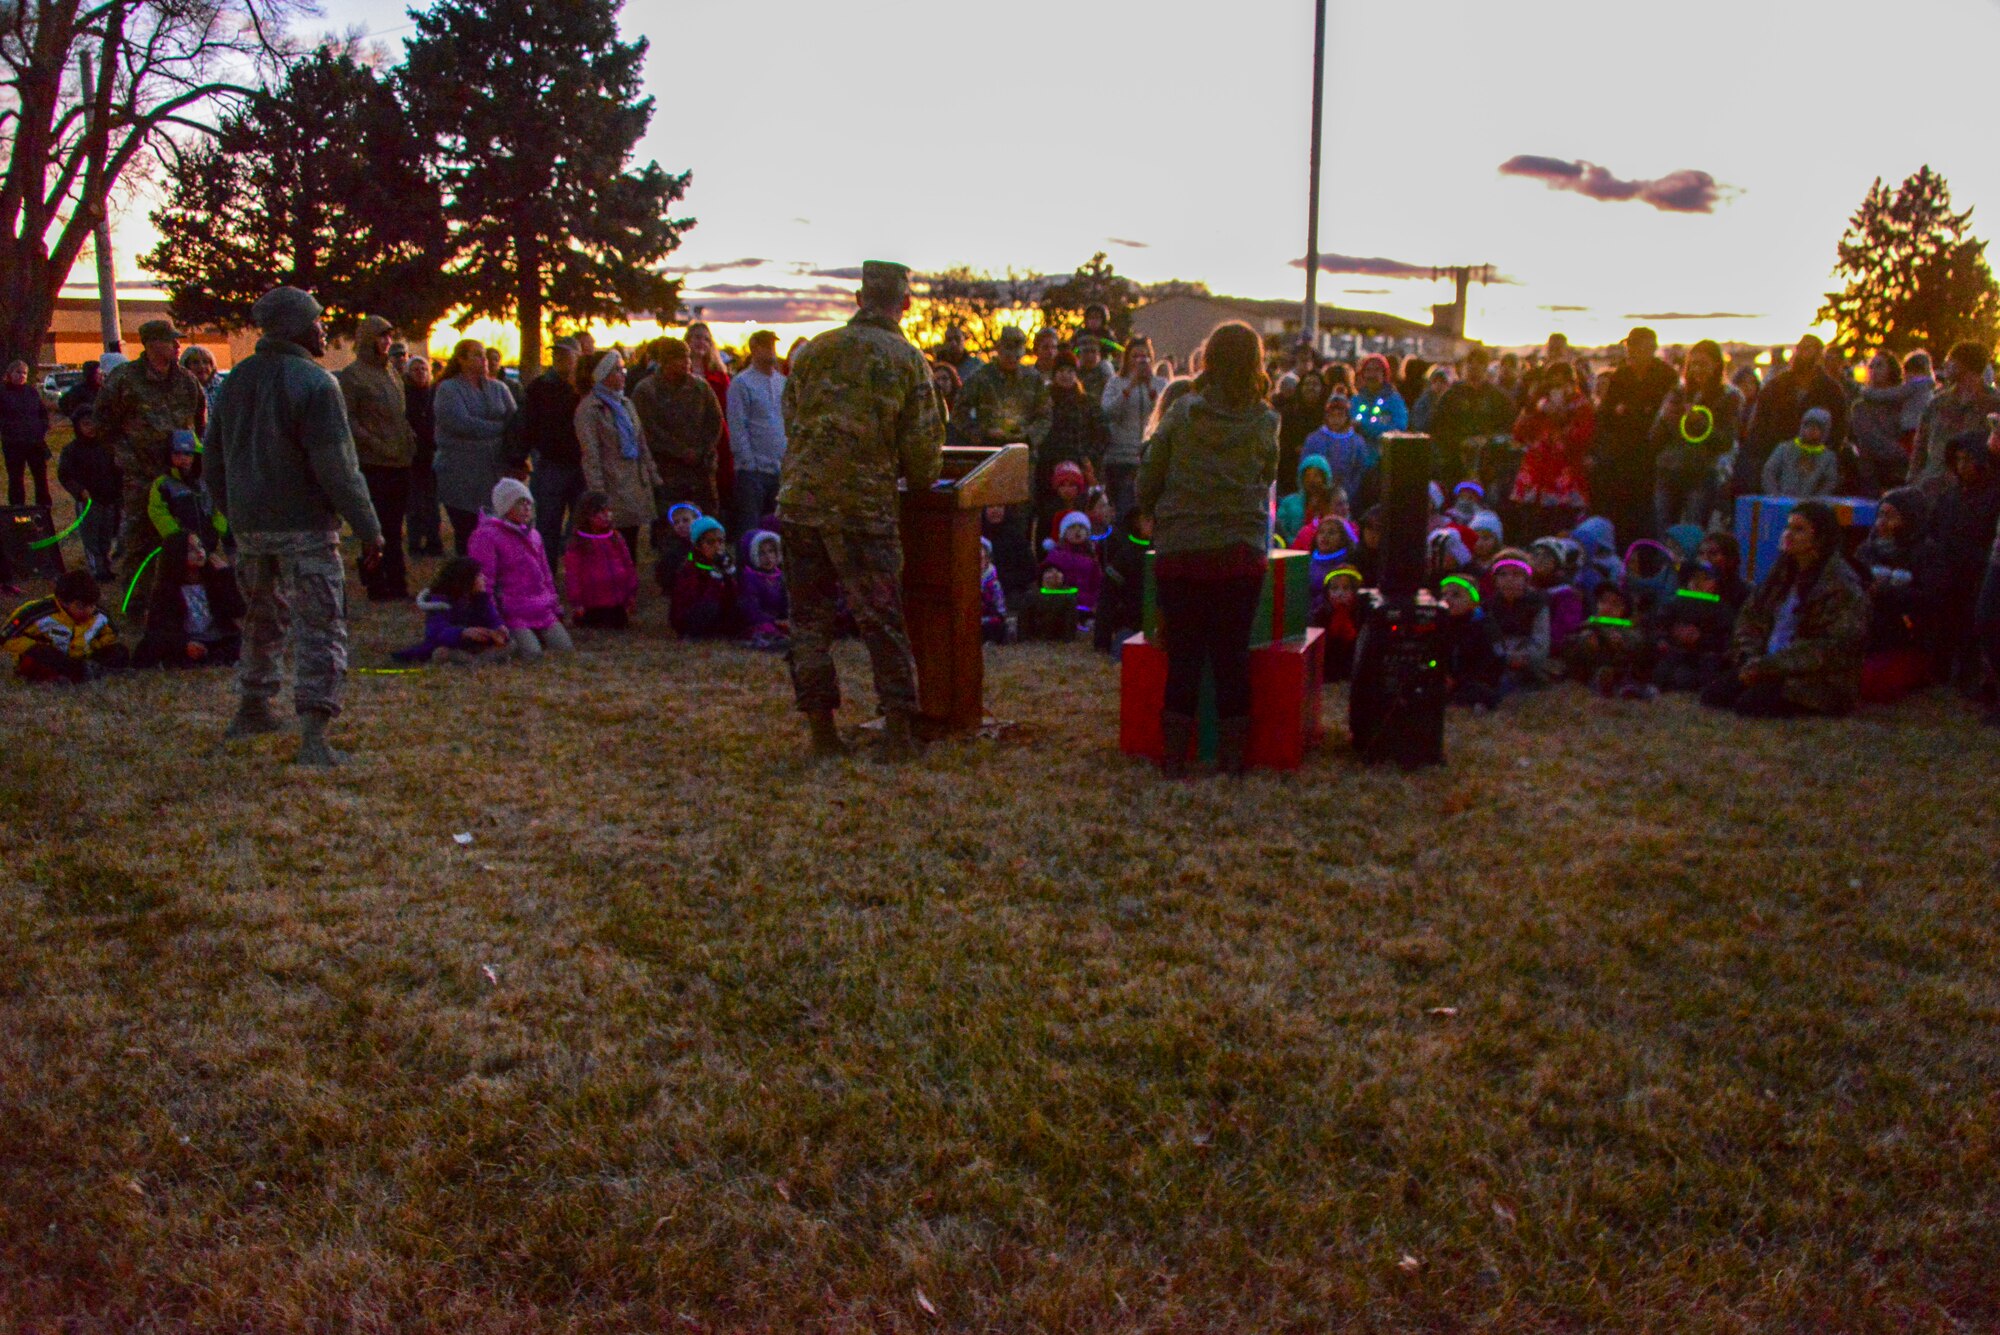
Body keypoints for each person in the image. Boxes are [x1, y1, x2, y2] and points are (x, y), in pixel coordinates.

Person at [205, 286, 384, 765]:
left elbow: (213, 461)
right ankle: (313, 737)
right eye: (317, 320)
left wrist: (234, 515)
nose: (324, 327)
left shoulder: (235, 380)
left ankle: (253, 707)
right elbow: (339, 469)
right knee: (320, 626)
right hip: (304, 527)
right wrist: (369, 527)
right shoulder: (316, 384)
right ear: (296, 327)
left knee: (261, 620)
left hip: (250, 527)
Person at [779, 260, 945, 761]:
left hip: (800, 504)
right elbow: (922, 456)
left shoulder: (813, 353)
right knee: (881, 620)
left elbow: (792, 420)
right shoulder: (907, 360)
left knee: (809, 622)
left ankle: (822, 733)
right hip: (862, 511)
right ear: (906, 303)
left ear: (858, 298)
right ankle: (898, 732)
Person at [1136, 321, 1279, 778]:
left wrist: (1155, 505)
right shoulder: (1267, 421)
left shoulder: (1182, 413)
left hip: (1182, 552)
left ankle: (1175, 761)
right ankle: (1233, 762)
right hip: (1240, 551)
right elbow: (1268, 476)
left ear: (1209, 359)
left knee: (1185, 658)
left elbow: (1148, 479)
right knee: (1232, 657)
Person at [1703, 500, 1868, 717]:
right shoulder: (1782, 572)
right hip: (1765, 664)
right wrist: (1748, 657)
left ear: (1820, 538)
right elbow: (1750, 617)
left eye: (1799, 530)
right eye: (1788, 527)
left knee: (1750, 705)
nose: (1788, 534)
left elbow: (1833, 647)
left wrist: (1769, 666)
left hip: (1814, 676)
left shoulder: (1841, 585)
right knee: (1714, 694)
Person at [95, 319, 205, 583]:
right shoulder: (125, 379)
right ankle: (137, 606)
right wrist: (124, 457)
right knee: (138, 542)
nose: (178, 345)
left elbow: (199, 423)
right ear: (152, 343)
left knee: (183, 536)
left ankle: (177, 603)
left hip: (179, 475)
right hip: (140, 475)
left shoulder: (186, 381)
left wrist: (193, 461)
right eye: (171, 340)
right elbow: (102, 424)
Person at [336, 315, 417, 602]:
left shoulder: (392, 374)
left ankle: (396, 581)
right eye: (381, 336)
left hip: (398, 460)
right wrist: (375, 444)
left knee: (394, 527)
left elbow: (400, 414)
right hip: (372, 462)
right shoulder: (353, 376)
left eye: (389, 336)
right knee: (374, 527)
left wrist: (407, 439)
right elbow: (349, 420)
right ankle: (376, 581)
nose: (386, 342)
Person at [1737, 335, 1849, 504]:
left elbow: (1839, 430)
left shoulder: (1831, 390)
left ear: (1819, 356)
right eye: (1799, 348)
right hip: (1777, 454)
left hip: (1816, 460)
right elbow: (1759, 427)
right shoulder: (1776, 386)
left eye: (1808, 349)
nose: (1801, 353)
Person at [469, 477, 571, 660]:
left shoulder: (534, 535)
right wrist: (493, 619)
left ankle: (536, 635)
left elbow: (545, 574)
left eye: (528, 503)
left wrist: (554, 605)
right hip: (512, 611)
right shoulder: (487, 536)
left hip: (540, 608)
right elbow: (485, 582)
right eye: (520, 503)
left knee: (565, 649)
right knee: (532, 654)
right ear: (506, 506)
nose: (526, 508)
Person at [432, 339, 517, 556]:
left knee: (497, 530)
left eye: (485, 355)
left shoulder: (499, 388)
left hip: (493, 471)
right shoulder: (448, 389)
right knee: (468, 531)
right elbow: (461, 423)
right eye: (477, 355)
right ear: (461, 359)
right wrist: (498, 428)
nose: (484, 360)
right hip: (460, 472)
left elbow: (515, 421)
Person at [574, 351, 660, 560]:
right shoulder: (590, 409)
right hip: (612, 481)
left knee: (631, 537)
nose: (623, 374)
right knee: (613, 538)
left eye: (623, 369)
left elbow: (641, 443)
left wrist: (652, 474)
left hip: (634, 479)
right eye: (617, 370)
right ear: (602, 375)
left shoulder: (625, 404)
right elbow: (591, 454)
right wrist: (598, 492)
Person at [1650, 339, 1742, 530]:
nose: (1697, 370)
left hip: (1702, 474)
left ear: (1717, 365)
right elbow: (1654, 438)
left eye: (1703, 364)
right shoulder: (1677, 393)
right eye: (1693, 364)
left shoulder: (1729, 396)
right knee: (1662, 530)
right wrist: (1665, 420)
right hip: (1669, 471)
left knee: (1693, 533)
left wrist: (1699, 423)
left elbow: (1725, 441)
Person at [630, 336, 723, 522]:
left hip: (700, 471)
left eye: (688, 357)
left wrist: (702, 450)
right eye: (680, 358)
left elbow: (715, 421)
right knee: (670, 525)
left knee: (705, 523)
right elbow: (647, 431)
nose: (687, 362)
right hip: (666, 472)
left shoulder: (700, 387)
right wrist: (680, 452)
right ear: (665, 362)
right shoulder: (646, 391)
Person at [134, 530, 245, 669]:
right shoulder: (167, 589)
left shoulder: (215, 580)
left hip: (217, 640)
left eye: (200, 546)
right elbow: (157, 628)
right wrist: (183, 645)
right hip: (186, 641)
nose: (200, 552)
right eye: (191, 550)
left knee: (242, 645)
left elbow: (238, 610)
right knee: (149, 647)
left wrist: (226, 576)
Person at [1508, 362, 1594, 541]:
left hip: (1565, 482)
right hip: (1535, 479)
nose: (1558, 389)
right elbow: (1519, 434)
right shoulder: (1539, 404)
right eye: (1554, 385)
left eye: (1562, 384)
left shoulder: (1582, 406)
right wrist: (1533, 409)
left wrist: (1562, 418)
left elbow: (1582, 438)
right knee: (1531, 532)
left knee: (1561, 532)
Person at [956, 326, 1051, 473]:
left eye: (1016, 356)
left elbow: (1045, 416)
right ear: (999, 350)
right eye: (1008, 355)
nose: (1012, 359)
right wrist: (980, 434)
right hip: (988, 454)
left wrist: (1029, 436)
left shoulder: (1033, 379)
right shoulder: (981, 377)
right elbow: (959, 411)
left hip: (1023, 455)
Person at [4, 568, 127, 682]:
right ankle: (67, 675)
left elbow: (111, 635)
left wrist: (94, 646)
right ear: (63, 601)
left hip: (82, 657)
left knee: (119, 652)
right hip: (52, 659)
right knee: (38, 659)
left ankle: (85, 671)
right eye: (81, 606)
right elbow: (6, 636)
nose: (89, 610)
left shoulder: (99, 614)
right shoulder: (36, 612)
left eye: (92, 605)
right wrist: (36, 647)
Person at [525, 337, 585, 565]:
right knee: (548, 524)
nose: (560, 358)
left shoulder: (585, 389)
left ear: (578, 357)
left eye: (566, 354)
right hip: (551, 464)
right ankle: (546, 573)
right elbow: (528, 425)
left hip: (581, 464)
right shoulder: (539, 388)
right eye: (557, 354)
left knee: (581, 526)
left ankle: (578, 574)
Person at [726, 330, 789, 542]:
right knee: (750, 529)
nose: (771, 351)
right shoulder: (742, 383)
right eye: (766, 346)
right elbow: (737, 424)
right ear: (754, 348)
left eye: (773, 345)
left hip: (779, 468)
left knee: (776, 527)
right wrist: (748, 461)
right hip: (753, 471)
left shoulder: (782, 383)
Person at [1911, 341, 2000, 490]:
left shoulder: (1994, 404)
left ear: (1964, 365)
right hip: (1932, 484)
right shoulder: (1937, 403)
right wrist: (1913, 479)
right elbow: (1920, 446)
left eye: (1950, 360)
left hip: (1976, 488)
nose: (1945, 365)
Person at [391, 556, 510, 665]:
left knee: (511, 644)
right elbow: (436, 632)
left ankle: (476, 660)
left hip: (476, 645)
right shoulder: (440, 603)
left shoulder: (481, 599)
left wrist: (499, 627)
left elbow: (492, 618)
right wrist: (462, 633)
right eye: (479, 575)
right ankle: (474, 661)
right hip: (452, 645)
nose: (484, 578)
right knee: (441, 652)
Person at [1099, 337, 1164, 516]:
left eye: (1144, 356)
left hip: (1150, 457)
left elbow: (1164, 412)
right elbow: (1108, 412)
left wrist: (1150, 387)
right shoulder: (1115, 383)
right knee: (1123, 510)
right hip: (1121, 457)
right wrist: (1129, 387)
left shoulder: (1160, 384)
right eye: (1135, 356)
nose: (1139, 361)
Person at [56, 408, 120, 579]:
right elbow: (64, 475)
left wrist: (118, 491)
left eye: (94, 423)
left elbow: (116, 471)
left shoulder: (106, 447)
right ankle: (96, 569)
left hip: (109, 499)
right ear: (77, 426)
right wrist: (79, 491)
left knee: (106, 536)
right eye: (86, 424)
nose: (91, 427)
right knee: (91, 539)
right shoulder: (72, 450)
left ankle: (106, 567)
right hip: (88, 501)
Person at [1650, 562, 1733, 693]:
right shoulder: (1675, 602)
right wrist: (1664, 638)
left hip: (1702, 659)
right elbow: (1659, 624)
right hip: (1675, 653)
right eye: (1695, 578)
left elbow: (1725, 640)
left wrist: (1701, 639)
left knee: (1686, 677)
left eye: (1705, 579)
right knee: (1662, 672)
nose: (1698, 583)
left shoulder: (1721, 609)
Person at [563, 490, 639, 630]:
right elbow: (572, 575)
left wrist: (631, 592)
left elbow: (628, 564)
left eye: (608, 511)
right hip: (591, 603)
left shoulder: (616, 537)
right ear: (587, 515)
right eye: (600, 512)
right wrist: (577, 602)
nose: (606, 516)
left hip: (617, 601)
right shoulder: (578, 542)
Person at [144, 429, 227, 555]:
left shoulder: (207, 481)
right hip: (181, 549)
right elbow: (157, 512)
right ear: (169, 455)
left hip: (210, 545)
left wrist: (217, 530)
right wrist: (179, 537)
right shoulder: (163, 484)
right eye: (177, 454)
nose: (183, 458)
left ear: (195, 456)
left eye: (188, 454)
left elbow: (219, 506)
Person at [1847, 350, 1917, 496]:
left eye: (1879, 365)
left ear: (1891, 369)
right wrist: (1904, 452)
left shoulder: (1904, 402)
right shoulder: (1861, 406)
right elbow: (1870, 439)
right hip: (1873, 474)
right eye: (1871, 366)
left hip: (1903, 473)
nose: (1874, 370)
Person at [686, 322, 736, 519]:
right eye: (697, 337)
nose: (701, 342)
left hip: (717, 438)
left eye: (706, 339)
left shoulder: (719, 375)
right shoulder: (680, 375)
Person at [670, 514, 743, 639]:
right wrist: (715, 579)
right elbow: (700, 600)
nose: (717, 546)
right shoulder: (690, 568)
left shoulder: (723, 562)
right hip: (690, 616)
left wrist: (729, 578)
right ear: (698, 546)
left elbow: (732, 597)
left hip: (714, 613)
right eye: (710, 542)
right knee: (710, 607)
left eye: (720, 541)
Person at [1487, 554, 1552, 690]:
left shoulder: (1537, 604)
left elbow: (1541, 641)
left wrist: (1525, 657)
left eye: (1516, 575)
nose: (1509, 580)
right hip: (1497, 660)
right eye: (1503, 575)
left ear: (1526, 579)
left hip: (1526, 661)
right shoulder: (1488, 607)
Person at [1271, 342, 1329, 495]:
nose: (1311, 388)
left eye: (1315, 384)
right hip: (1291, 473)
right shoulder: (1289, 414)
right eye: (1307, 384)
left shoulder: (1327, 415)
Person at [404, 355, 444, 557]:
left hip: (432, 455)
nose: (420, 373)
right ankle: (414, 544)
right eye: (415, 369)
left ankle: (434, 542)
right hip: (412, 456)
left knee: (432, 503)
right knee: (414, 504)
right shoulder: (404, 396)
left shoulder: (435, 395)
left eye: (423, 369)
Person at [0, 358, 51, 508]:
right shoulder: (3, 393)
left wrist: (42, 426)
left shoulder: (32, 392)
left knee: (40, 476)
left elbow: (42, 413)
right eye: (18, 372)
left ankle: (44, 506)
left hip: (35, 441)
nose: (21, 376)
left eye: (25, 373)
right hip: (13, 442)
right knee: (16, 477)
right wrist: (9, 429)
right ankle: (17, 507)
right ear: (10, 373)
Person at [1762, 407, 1841, 498]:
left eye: (1817, 427)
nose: (1812, 430)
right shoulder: (1784, 448)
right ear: (1802, 426)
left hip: (1809, 506)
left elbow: (1830, 481)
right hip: (1782, 502)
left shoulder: (1828, 457)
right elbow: (1769, 472)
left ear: (1824, 431)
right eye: (1808, 425)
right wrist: (1775, 496)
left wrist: (1816, 500)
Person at [738, 528, 789, 650]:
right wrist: (774, 621)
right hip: (758, 622)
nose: (768, 557)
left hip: (778, 620)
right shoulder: (750, 577)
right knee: (765, 629)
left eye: (771, 551)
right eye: (762, 553)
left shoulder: (780, 576)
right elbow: (752, 610)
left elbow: (785, 602)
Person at [1346, 353, 1407, 454]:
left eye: (1377, 370)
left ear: (1384, 374)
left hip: (1385, 457)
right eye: (1368, 370)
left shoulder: (1394, 400)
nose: (1372, 375)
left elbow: (1399, 427)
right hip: (1358, 458)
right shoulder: (1356, 400)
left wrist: (1364, 426)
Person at [1043, 511, 1101, 617]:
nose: (1077, 530)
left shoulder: (1092, 558)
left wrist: (1093, 601)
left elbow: (1097, 584)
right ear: (1064, 532)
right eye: (1072, 527)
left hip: (1086, 607)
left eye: (1081, 527)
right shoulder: (1056, 556)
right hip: (1061, 606)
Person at [1277, 454, 1337, 548]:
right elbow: (1280, 529)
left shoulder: (1334, 501)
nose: (1311, 480)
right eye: (1307, 476)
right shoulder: (1289, 503)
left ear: (1325, 478)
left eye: (1316, 475)